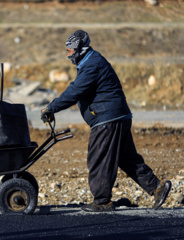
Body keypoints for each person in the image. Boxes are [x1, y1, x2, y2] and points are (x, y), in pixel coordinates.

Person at [41, 29, 172, 212]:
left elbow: (74, 92)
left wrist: (50, 108)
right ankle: (157, 188)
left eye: (70, 51)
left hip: (108, 120)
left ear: (80, 49)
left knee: (99, 158)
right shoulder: (92, 61)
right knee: (127, 159)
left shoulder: (92, 65)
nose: (68, 55)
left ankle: (102, 201)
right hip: (118, 116)